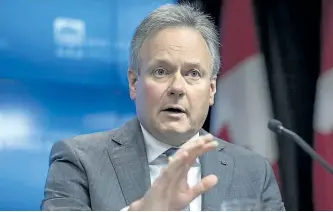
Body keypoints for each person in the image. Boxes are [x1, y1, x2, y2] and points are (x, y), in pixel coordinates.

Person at [41, 3, 285, 211]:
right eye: (161, 71)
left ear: (211, 90)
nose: (177, 87)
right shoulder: (79, 160)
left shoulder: (253, 171)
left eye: (193, 73)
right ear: (134, 82)